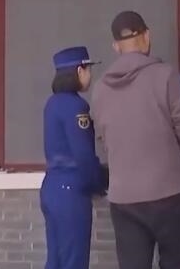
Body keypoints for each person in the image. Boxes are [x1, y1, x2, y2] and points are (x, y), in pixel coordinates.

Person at [91, 11, 180, 269]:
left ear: (115, 46)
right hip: (169, 191)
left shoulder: (100, 88)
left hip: (124, 196)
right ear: (147, 36)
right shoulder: (166, 75)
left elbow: (103, 140)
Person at [40, 46, 107, 269]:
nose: (90, 75)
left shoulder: (52, 103)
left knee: (56, 260)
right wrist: (98, 183)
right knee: (74, 261)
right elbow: (84, 155)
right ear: (79, 70)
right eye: (88, 69)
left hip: (52, 187)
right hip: (71, 190)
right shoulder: (76, 106)